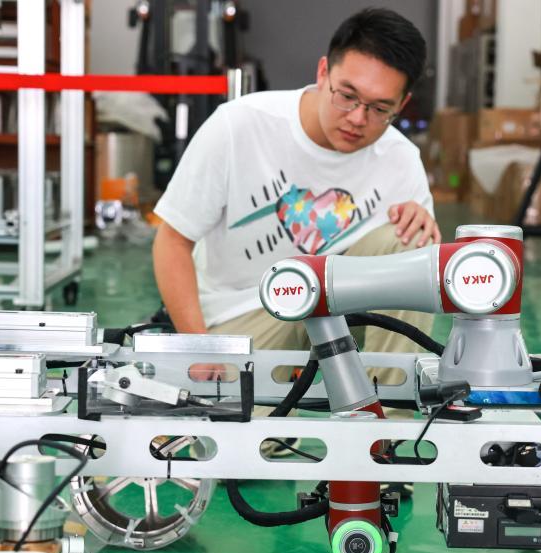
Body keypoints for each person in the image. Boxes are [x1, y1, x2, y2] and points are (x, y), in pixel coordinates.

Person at [152, 8, 439, 373]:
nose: (357, 118)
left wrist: (421, 226)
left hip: (339, 308)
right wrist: (199, 347)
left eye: (380, 108)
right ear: (323, 73)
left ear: (402, 104)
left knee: (412, 240)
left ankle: (389, 405)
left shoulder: (401, 160)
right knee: (242, 409)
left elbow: (422, 279)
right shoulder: (239, 126)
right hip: (248, 312)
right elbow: (173, 241)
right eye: (347, 95)